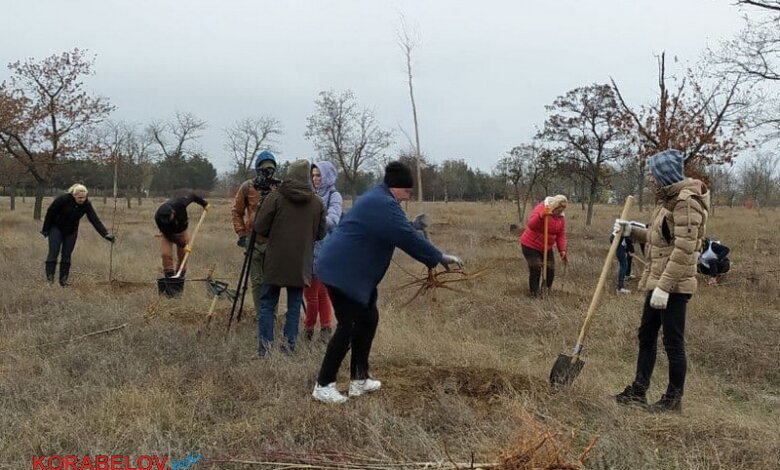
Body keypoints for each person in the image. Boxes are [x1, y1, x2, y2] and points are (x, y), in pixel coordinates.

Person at [311, 161, 463, 404]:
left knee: (368, 318)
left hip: (351, 272)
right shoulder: (382, 203)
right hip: (341, 271)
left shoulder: (378, 199)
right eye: (407, 192)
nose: (408, 197)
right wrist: (438, 257)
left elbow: (395, 228)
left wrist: (414, 225)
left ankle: (359, 379)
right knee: (348, 326)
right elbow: (403, 235)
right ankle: (323, 384)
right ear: (396, 188)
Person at [613, 149, 710, 413]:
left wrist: (665, 288)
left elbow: (684, 249)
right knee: (646, 335)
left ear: (664, 174)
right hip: (657, 280)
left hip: (674, 285)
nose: (650, 179)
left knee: (673, 343)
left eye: (653, 174)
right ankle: (638, 390)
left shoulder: (686, 202)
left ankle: (672, 401)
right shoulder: (667, 200)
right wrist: (630, 230)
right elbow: (659, 239)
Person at [254, 159, 326, 356]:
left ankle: (265, 349)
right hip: (300, 263)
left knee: (268, 303)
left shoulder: (276, 197)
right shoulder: (317, 202)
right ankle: (288, 348)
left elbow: (259, 227)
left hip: (275, 260)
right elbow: (321, 234)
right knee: (294, 306)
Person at [231, 151, 279, 314]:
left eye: (271, 169)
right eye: (265, 169)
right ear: (258, 169)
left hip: (274, 242)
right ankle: (261, 315)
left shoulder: (278, 188)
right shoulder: (247, 187)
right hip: (253, 241)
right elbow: (236, 211)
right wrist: (242, 234)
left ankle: (271, 315)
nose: (268, 173)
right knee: (257, 282)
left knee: (272, 282)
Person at [41, 184, 115, 286]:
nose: (81, 200)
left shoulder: (86, 204)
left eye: (83, 197)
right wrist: (45, 229)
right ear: (73, 195)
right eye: (79, 197)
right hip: (56, 228)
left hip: (71, 231)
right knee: (53, 253)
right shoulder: (63, 199)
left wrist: (105, 234)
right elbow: (50, 212)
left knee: (66, 256)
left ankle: (63, 281)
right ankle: (50, 280)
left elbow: (94, 220)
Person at [303, 161, 343, 343]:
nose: (315, 179)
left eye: (319, 175)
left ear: (327, 176)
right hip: (308, 249)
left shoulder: (334, 196)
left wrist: (314, 220)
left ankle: (309, 329)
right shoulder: (309, 194)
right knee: (317, 293)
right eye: (313, 175)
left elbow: (333, 220)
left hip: (324, 250)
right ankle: (325, 326)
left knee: (314, 294)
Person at [519, 195, 568, 297]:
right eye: (558, 210)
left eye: (561, 210)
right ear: (554, 206)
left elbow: (561, 234)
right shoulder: (542, 208)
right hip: (530, 245)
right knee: (536, 267)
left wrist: (562, 250)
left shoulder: (561, 218)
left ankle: (545, 292)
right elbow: (531, 224)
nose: (559, 212)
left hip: (546, 247)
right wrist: (541, 216)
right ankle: (534, 293)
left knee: (550, 268)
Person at [154, 193, 209, 278]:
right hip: (169, 234)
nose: (167, 221)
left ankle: (180, 277)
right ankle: (169, 278)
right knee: (166, 254)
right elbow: (169, 235)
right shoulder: (158, 217)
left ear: (172, 212)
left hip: (182, 231)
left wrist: (204, 204)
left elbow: (192, 196)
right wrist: (183, 245)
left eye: (169, 218)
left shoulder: (180, 203)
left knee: (183, 255)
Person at [612, 220, 647, 294]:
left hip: (624, 240)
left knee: (629, 257)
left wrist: (647, 259)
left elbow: (643, 244)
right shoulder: (639, 228)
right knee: (623, 263)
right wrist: (630, 250)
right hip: (618, 240)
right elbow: (627, 237)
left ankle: (627, 275)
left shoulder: (645, 231)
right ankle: (620, 288)